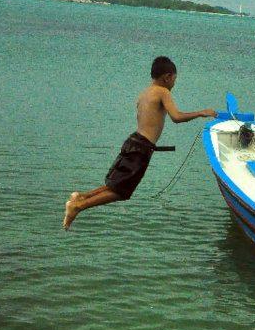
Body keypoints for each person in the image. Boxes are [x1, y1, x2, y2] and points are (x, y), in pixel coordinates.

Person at [63, 56, 216, 230]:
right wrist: (201, 113)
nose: (174, 83)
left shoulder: (145, 93)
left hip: (133, 141)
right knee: (121, 191)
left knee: (116, 184)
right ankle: (78, 207)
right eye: (174, 79)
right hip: (141, 147)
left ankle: (81, 197)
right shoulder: (162, 91)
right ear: (167, 77)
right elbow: (176, 117)